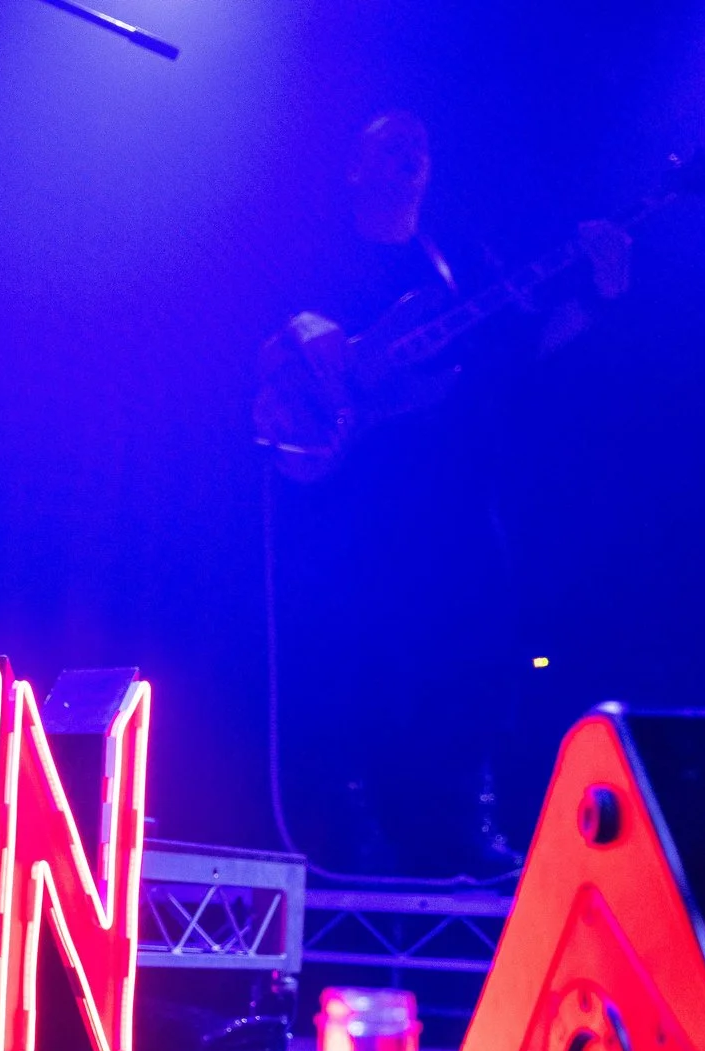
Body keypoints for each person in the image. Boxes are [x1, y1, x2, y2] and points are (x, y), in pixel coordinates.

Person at [262, 111, 630, 881]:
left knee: (478, 641)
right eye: (388, 146)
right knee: (358, 651)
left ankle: (462, 817)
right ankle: (351, 819)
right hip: (357, 485)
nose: (408, 156)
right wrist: (315, 331)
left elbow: (526, 345)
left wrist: (599, 293)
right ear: (356, 166)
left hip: (455, 485)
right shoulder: (323, 249)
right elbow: (274, 319)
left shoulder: (455, 260)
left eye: (419, 149)